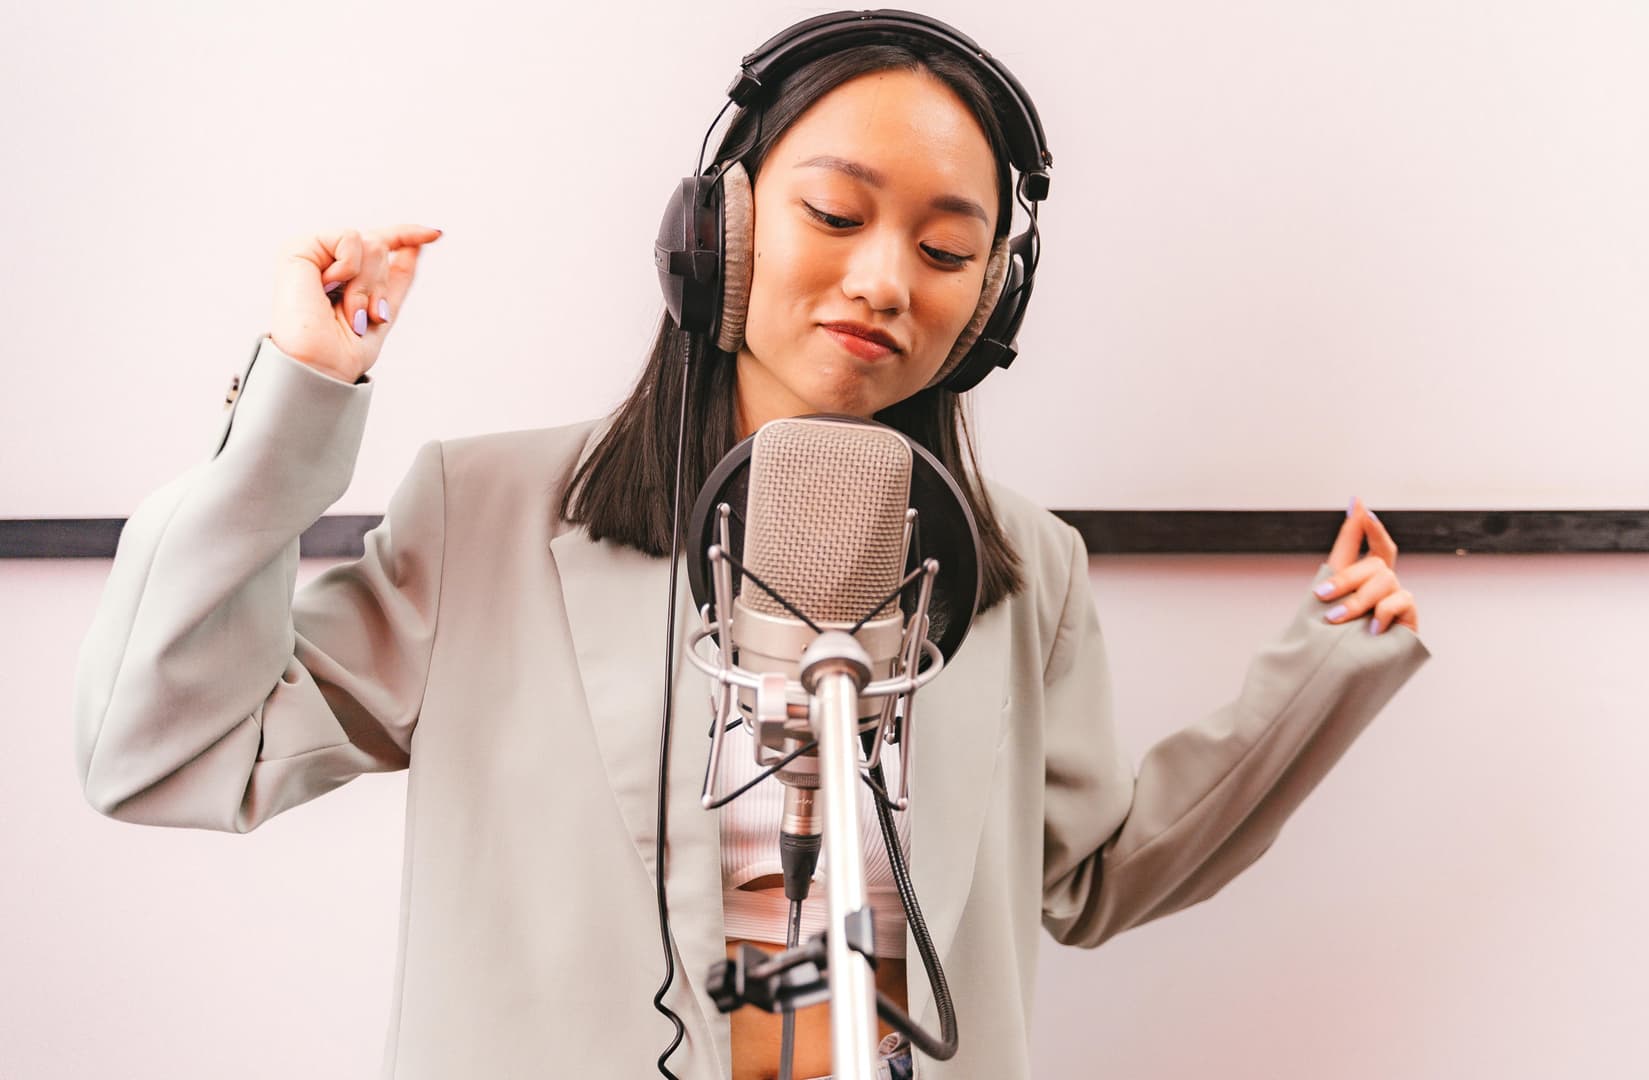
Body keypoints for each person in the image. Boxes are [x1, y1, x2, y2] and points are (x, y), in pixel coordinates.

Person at [72, 14, 1432, 1080]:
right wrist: (294, 405)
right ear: (716, 231)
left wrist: (1326, 669)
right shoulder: (482, 514)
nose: (886, 279)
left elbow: (1083, 879)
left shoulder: (1021, 567)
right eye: (835, 216)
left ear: (994, 303)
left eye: (950, 249)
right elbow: (169, 749)